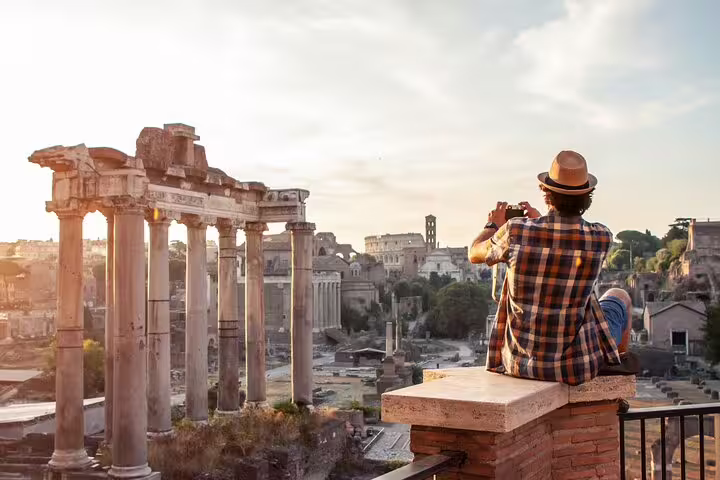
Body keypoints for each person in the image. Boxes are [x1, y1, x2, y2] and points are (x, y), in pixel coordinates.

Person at [469, 151, 634, 385]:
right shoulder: (601, 237)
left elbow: (474, 253)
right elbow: (561, 243)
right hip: (575, 368)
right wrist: (540, 221)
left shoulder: (516, 231)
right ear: (588, 196)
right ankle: (616, 383)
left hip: (518, 364)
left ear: (546, 195)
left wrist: (493, 225)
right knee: (620, 296)